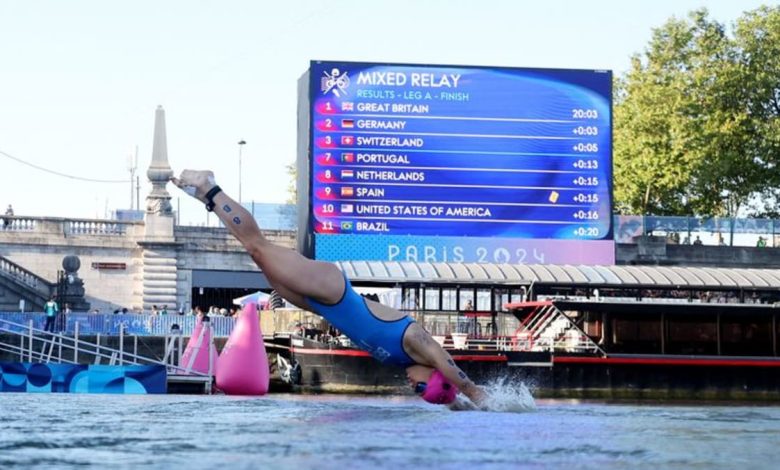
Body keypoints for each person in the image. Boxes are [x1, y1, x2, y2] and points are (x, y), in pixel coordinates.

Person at [172, 170, 486, 406]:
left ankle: (208, 199)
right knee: (259, 247)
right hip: (331, 290)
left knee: (260, 261)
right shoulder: (418, 343)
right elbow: (452, 369)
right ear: (434, 375)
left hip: (320, 304)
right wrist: (478, 396)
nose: (412, 386)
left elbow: (452, 394)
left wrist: (461, 406)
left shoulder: (409, 362)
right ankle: (207, 185)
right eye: (420, 387)